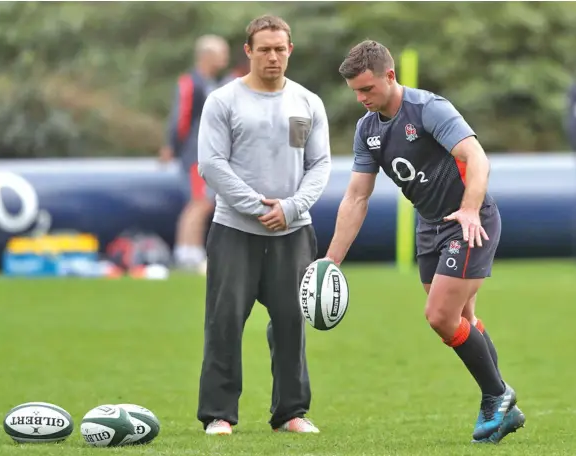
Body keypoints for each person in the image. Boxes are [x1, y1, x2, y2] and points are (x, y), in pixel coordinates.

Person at [320, 40, 525, 444]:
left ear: (390, 76)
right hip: (430, 225)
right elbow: (357, 197)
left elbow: (477, 157)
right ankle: (504, 408)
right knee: (460, 319)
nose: (361, 99)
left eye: (368, 89)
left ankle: (497, 396)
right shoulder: (367, 129)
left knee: (439, 316)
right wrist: (331, 259)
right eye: (356, 92)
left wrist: (469, 209)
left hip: (469, 221)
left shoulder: (429, 108)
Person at [196, 15, 331, 436]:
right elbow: (211, 165)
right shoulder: (223, 101)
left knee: (292, 321)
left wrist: (290, 208)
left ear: (290, 50)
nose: (273, 56)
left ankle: (291, 413)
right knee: (224, 321)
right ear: (248, 51)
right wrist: (258, 207)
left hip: (293, 231)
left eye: (280, 48)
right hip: (235, 230)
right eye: (264, 48)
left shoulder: (308, 102)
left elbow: (320, 164)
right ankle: (219, 415)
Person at [159, 34, 230, 274]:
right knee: (198, 203)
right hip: (194, 153)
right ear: (207, 55)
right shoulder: (192, 82)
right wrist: (172, 146)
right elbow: (181, 117)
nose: (225, 58)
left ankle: (191, 252)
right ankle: (187, 253)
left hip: (208, 152)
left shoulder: (212, 83)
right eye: (221, 53)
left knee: (203, 203)